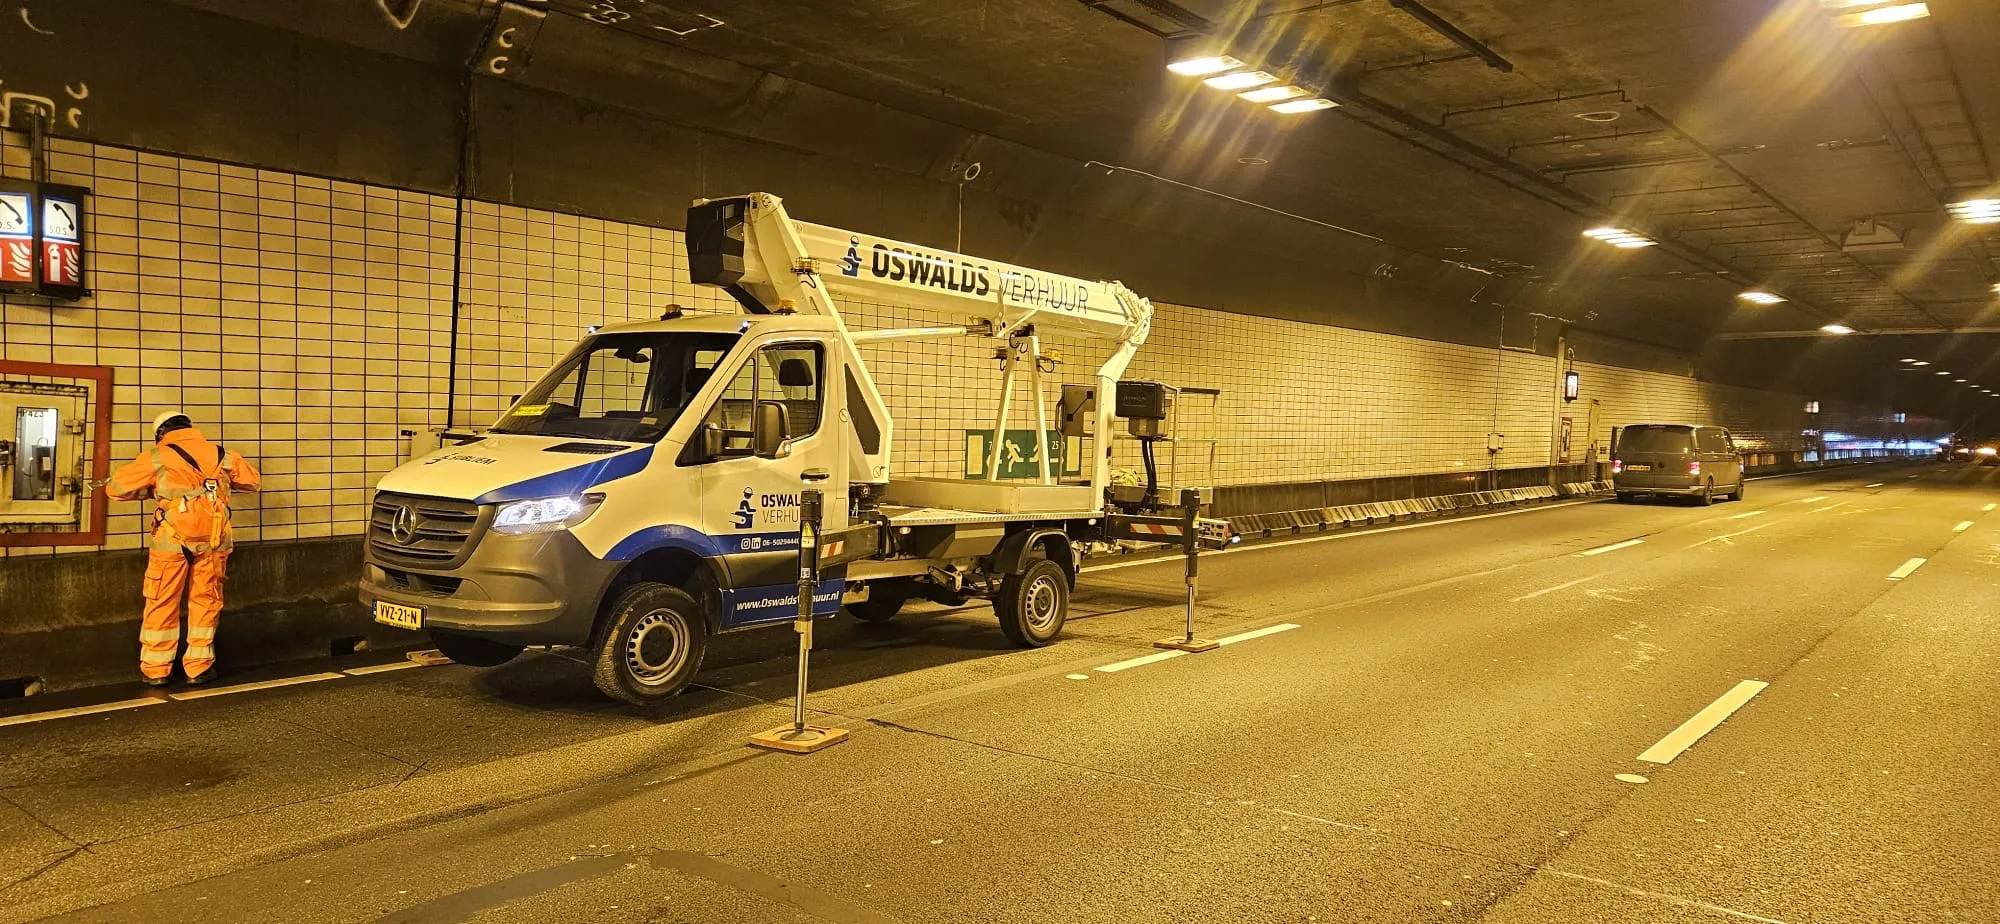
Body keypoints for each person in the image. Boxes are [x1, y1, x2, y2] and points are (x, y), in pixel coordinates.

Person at [106, 412, 261, 686]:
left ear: (161, 434)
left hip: (172, 540)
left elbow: (115, 489)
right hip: (214, 539)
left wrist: (156, 491)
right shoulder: (223, 454)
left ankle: (157, 670)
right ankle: (199, 667)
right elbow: (252, 483)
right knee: (207, 600)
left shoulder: (157, 456)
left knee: (162, 600)